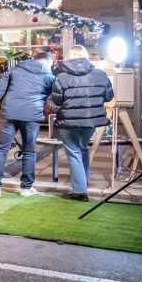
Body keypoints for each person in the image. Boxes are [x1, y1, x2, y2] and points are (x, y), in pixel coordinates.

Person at [49, 45, 114, 201]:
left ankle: (79, 191)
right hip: (91, 120)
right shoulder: (100, 74)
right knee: (83, 148)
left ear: (69, 57)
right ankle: (83, 182)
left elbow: (56, 100)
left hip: (68, 120)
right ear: (86, 56)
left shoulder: (61, 77)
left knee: (74, 152)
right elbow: (109, 96)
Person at [0, 50, 55, 197]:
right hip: (32, 116)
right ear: (49, 62)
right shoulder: (49, 76)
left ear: (34, 59)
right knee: (29, 151)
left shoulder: (14, 70)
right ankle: (26, 188)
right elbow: (52, 97)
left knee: (1, 150)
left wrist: (1, 107)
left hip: (9, 112)